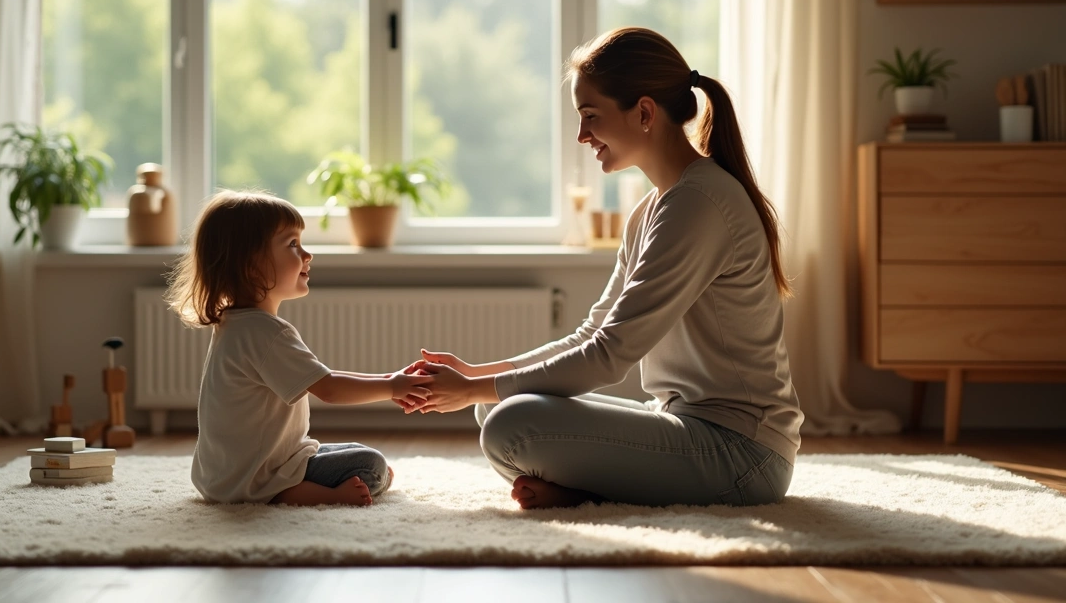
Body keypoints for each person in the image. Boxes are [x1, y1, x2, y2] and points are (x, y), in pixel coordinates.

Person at [404, 27, 804, 510]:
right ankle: (590, 491)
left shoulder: (699, 203)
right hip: (684, 424)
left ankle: (588, 492)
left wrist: (470, 387)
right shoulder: (652, 209)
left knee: (511, 424)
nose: (581, 135)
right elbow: (590, 333)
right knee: (497, 406)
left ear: (643, 113)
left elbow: (608, 356)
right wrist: (476, 378)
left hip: (743, 455)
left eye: (590, 116)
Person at [167, 190, 432, 506]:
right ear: (251, 265)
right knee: (372, 466)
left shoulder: (234, 323)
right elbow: (330, 389)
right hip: (252, 478)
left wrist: (390, 379)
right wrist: (391, 387)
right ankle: (302, 494)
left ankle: (299, 482)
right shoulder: (266, 332)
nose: (307, 255)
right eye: (293, 245)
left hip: (224, 473)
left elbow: (322, 376)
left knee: (346, 453)